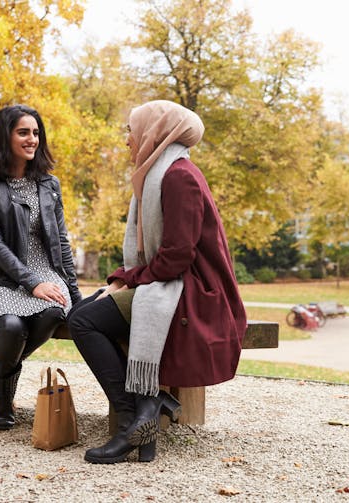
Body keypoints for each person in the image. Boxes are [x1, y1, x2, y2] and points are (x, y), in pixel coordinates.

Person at [67, 100, 246, 464]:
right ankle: (147, 408)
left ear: (154, 132)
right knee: (83, 311)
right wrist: (123, 282)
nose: (128, 139)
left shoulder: (179, 176)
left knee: (83, 321)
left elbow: (177, 257)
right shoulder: (157, 172)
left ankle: (133, 420)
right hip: (171, 282)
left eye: (131, 130)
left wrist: (123, 280)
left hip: (192, 290)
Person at [0, 105, 82, 430]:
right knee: (12, 327)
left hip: (47, 275)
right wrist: (30, 282)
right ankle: (2, 402)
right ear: (5, 136)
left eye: (35, 132)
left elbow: (60, 243)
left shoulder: (49, 184)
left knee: (52, 311)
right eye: (23, 132)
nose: (32, 139)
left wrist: (75, 294)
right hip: (1, 279)